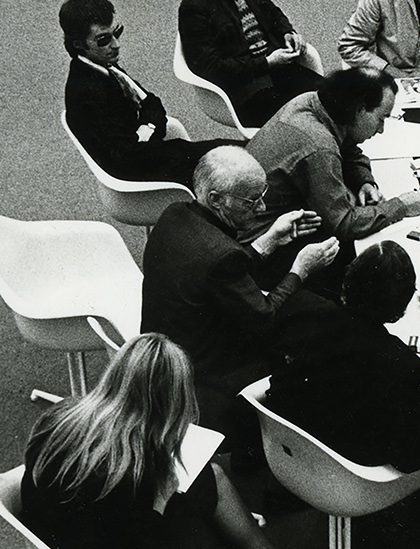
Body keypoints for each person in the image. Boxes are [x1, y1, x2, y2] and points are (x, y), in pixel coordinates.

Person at [18, 333, 348, 549]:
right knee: (201, 529)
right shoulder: (130, 464)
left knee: (211, 478)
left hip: (58, 536)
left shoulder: (65, 414)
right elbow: (142, 536)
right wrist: (162, 497)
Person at [266, 243, 420, 549]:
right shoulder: (401, 364)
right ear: (400, 309)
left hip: (290, 455)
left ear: (346, 284)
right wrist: (418, 404)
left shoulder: (299, 308)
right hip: (354, 477)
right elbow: (411, 459)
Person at [141, 147, 340, 442]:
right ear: (216, 199)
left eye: (263, 195)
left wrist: (270, 239)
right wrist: (301, 269)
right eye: (251, 201)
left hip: (164, 361)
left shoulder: (174, 215)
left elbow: (219, 274)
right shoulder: (221, 255)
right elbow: (265, 317)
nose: (262, 208)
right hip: (204, 378)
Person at [245, 68, 420, 260]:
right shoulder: (319, 146)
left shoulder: (314, 102)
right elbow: (344, 224)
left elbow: (347, 147)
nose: (381, 129)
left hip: (255, 219)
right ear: (360, 109)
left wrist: (364, 181)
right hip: (262, 245)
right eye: (381, 119)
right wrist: (401, 206)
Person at [60, 0, 236, 186]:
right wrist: (151, 124)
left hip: (158, 155)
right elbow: (128, 154)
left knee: (236, 152)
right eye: (103, 40)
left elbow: (153, 103)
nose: (116, 45)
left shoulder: (103, 66)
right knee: (237, 162)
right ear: (79, 45)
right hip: (145, 173)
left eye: (117, 33)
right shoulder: (86, 91)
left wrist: (146, 128)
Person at [177, 0, 323, 130]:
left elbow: (272, 12)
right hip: (244, 92)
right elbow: (210, 68)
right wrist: (266, 63)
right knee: (309, 120)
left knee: (334, 98)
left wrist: (288, 32)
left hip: (279, 74)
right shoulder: (193, 6)